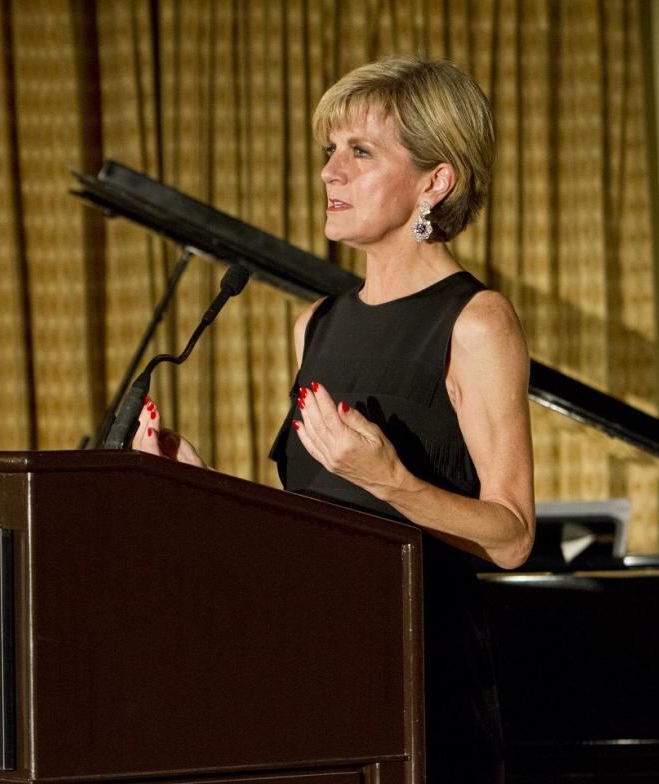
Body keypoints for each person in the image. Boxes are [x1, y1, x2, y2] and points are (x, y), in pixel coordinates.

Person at [133, 56, 534, 782]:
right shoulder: (317, 324)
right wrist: (199, 486)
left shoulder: (476, 323)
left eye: (360, 152)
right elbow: (311, 530)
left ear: (434, 181)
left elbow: (511, 537)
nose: (329, 172)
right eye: (329, 151)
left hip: (419, 683)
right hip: (311, 676)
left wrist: (392, 481)